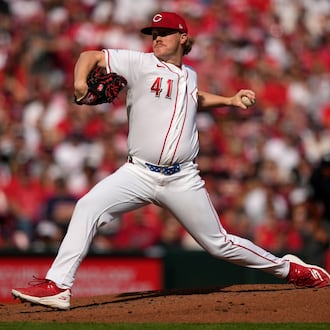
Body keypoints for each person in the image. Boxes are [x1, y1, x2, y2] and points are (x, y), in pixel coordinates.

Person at [12, 12, 330, 310]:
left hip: (182, 179)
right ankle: (58, 285)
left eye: (164, 32)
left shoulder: (189, 75)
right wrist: (81, 82)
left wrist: (230, 100)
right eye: (153, 33)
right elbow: (89, 56)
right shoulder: (139, 63)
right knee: (88, 206)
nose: (157, 37)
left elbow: (194, 98)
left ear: (182, 37)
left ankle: (291, 270)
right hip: (138, 173)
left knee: (219, 244)